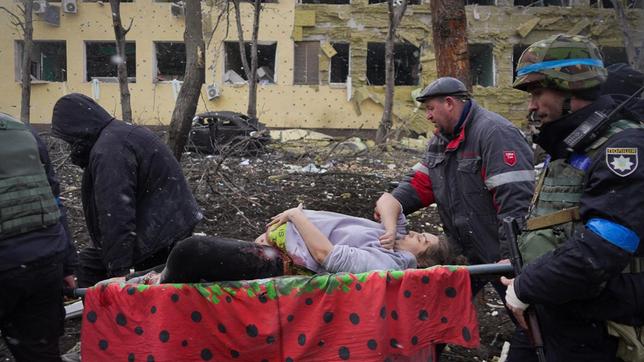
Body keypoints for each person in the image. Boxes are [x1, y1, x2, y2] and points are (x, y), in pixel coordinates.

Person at [501, 34, 644, 361]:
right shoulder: (571, 144)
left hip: (602, 329)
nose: (532, 105)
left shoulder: (622, 148)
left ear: (571, 87)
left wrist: (525, 287)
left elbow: (605, 246)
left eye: (537, 92)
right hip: (556, 310)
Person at [374, 76, 536, 360]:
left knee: (526, 316)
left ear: (449, 103)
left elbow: (516, 205)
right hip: (463, 252)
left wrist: (510, 258)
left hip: (501, 254)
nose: (427, 116)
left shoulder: (495, 134)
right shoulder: (440, 140)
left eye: (430, 108)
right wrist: (395, 201)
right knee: (434, 316)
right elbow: (422, 182)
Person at [51, 93, 202, 287]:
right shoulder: (115, 136)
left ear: (77, 130)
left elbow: (115, 213)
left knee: (143, 295)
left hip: (159, 234)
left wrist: (118, 272)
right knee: (88, 266)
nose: (71, 148)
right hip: (166, 224)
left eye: (70, 141)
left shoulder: (110, 151)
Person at [113, 205, 456, 285]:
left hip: (285, 263)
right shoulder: (393, 240)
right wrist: (394, 225)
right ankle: (134, 282)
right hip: (277, 245)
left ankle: (148, 293)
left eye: (421, 240)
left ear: (421, 262)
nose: (414, 234)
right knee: (189, 255)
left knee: (191, 251)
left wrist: (296, 216)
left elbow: (329, 256)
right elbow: (389, 200)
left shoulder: (391, 264)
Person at [0, 113, 78, 361]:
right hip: (45, 262)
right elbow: (55, 201)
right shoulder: (22, 131)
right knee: (40, 353)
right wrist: (67, 266)